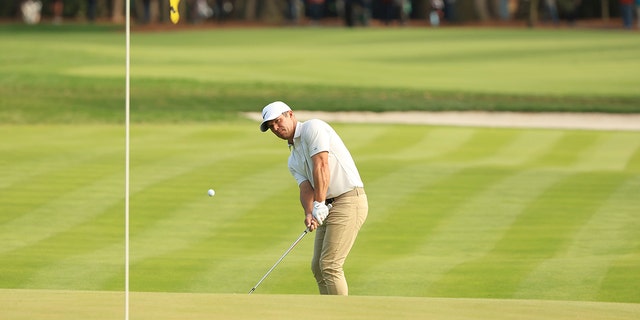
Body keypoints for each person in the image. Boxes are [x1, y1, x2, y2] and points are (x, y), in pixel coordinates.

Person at [258, 101, 368, 295]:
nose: (275, 128)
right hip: (326, 207)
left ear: (290, 114)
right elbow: (305, 188)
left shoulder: (312, 128)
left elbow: (321, 165)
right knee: (318, 268)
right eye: (270, 126)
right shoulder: (293, 158)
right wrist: (309, 212)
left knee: (330, 265)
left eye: (277, 121)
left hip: (348, 200)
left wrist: (319, 203)